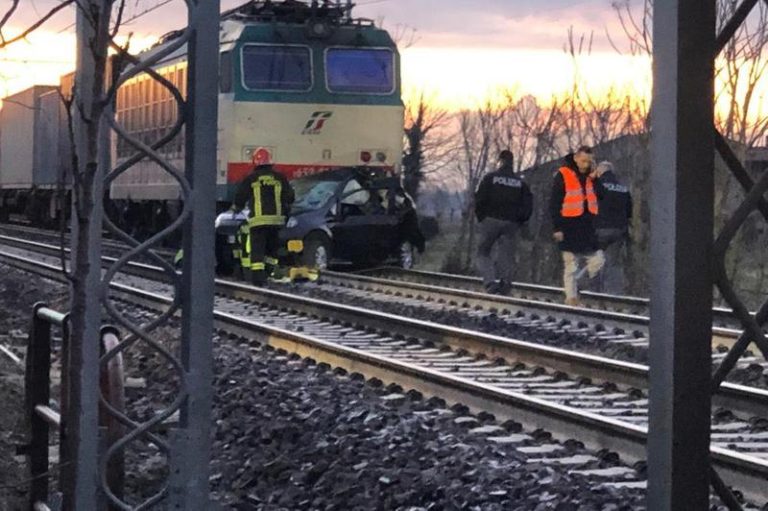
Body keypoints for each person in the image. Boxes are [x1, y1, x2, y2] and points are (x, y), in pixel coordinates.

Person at [550, 146, 605, 306]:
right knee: (571, 264)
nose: (586, 164)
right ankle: (571, 298)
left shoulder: (591, 177)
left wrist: (596, 178)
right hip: (568, 225)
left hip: (587, 226)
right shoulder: (563, 174)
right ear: (575, 158)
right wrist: (557, 227)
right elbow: (554, 203)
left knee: (598, 260)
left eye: (589, 161)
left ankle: (577, 286)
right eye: (583, 161)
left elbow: (601, 195)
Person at [474, 150, 533, 294]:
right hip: (511, 223)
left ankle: (489, 282)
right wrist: (520, 221)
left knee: (483, 252)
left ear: (500, 161)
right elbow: (528, 204)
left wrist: (481, 217)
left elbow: (479, 199)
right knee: (506, 254)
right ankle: (506, 282)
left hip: (491, 221)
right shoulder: (520, 183)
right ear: (512, 163)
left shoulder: (490, 178)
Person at [233, 164, 295, 285]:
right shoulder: (279, 178)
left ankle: (257, 280)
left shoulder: (251, 178)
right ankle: (268, 272)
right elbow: (290, 197)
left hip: (258, 221)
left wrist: (236, 208)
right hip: (276, 221)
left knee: (257, 249)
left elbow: (240, 197)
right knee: (272, 249)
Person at [594, 161, 632, 294]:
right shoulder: (623, 188)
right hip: (619, 230)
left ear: (601, 171)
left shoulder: (597, 186)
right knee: (613, 263)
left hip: (599, 230)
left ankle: (595, 292)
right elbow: (629, 211)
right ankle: (613, 294)